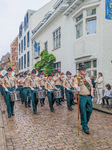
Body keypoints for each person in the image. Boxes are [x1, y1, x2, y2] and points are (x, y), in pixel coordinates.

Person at [74, 65, 93, 134]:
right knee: (83, 111)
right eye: (82, 70)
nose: (84, 71)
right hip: (81, 97)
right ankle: (85, 126)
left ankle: (84, 122)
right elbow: (75, 84)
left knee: (90, 110)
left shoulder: (88, 78)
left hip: (88, 96)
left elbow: (91, 87)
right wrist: (77, 88)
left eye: (84, 69)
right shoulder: (78, 78)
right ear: (79, 71)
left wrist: (92, 95)